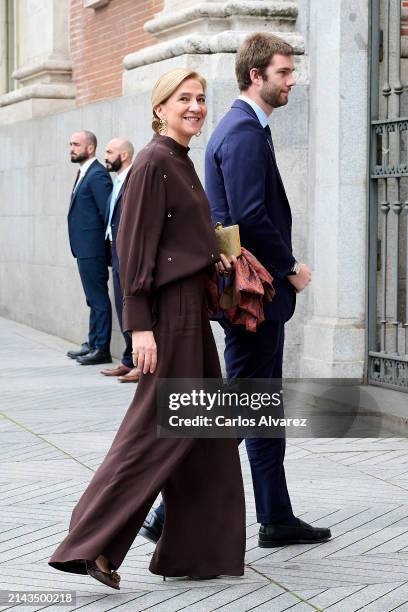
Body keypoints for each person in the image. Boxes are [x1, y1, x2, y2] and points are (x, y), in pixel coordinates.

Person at [49, 69, 245, 588]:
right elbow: (132, 249)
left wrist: (213, 258)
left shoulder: (177, 160)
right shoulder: (155, 162)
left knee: (208, 438)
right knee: (155, 435)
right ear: (159, 108)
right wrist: (139, 329)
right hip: (168, 319)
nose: (196, 107)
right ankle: (89, 544)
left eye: (202, 99)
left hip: (189, 316)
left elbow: (172, 242)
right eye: (184, 99)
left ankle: (193, 554)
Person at [141, 33, 332, 549]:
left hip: (252, 298)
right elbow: (248, 217)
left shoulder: (247, 128)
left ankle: (275, 515)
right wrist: (290, 266)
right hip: (254, 298)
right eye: (284, 73)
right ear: (256, 76)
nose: (292, 81)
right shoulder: (244, 132)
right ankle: (163, 511)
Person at [67, 130, 113, 366]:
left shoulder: (97, 175)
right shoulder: (85, 172)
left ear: (91, 148)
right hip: (84, 248)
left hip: (93, 248)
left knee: (98, 298)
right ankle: (93, 342)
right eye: (71, 144)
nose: (72, 148)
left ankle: (101, 348)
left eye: (76, 144)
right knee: (91, 298)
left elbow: (108, 212)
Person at [100, 138, 140, 383]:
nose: (106, 156)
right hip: (115, 252)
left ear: (124, 155)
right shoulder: (117, 181)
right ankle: (127, 359)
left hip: (128, 252)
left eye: (109, 152)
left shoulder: (134, 178)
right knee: (120, 305)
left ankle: (139, 363)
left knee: (132, 305)